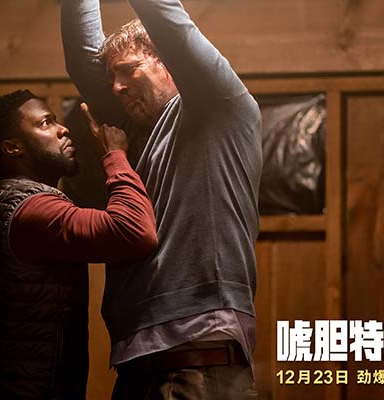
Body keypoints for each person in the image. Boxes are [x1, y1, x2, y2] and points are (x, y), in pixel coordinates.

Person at [62, 1, 262, 398]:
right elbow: (82, 59)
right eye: (112, 77)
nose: (117, 86)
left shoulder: (217, 107)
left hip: (197, 353)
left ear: (166, 61)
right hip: (136, 364)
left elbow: (169, 23)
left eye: (128, 70)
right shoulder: (135, 132)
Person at [0, 90, 158, 400]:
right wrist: (115, 155)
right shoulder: (33, 212)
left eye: (56, 120)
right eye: (45, 123)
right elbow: (134, 230)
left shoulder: (11, 206)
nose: (63, 129)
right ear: (12, 148)